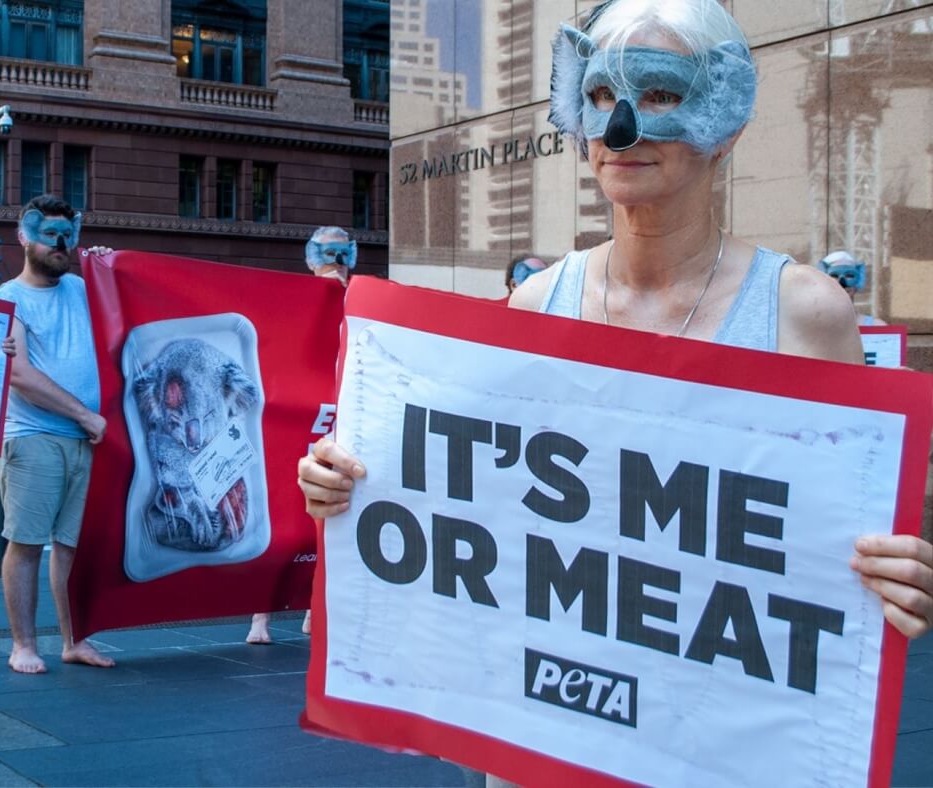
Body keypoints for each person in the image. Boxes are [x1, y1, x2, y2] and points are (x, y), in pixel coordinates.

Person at [297, 0, 933, 779]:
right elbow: (466, 500)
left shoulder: (803, 316)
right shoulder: (533, 307)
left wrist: (888, 579)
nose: (620, 127)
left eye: (661, 95)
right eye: (599, 97)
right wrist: (347, 483)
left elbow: (826, 546)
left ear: (726, 117)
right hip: (543, 747)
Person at [0, 194, 115, 674]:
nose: (60, 245)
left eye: (68, 235)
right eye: (49, 235)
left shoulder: (84, 291)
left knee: (72, 546)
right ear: (24, 237)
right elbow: (18, 374)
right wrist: (84, 416)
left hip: (84, 440)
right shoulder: (8, 298)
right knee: (24, 543)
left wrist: (110, 269)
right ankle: (23, 644)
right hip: (33, 435)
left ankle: (73, 639)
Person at [245, 226, 355, 645]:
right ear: (312, 260)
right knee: (281, 516)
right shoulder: (292, 299)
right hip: (296, 419)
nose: (337, 263)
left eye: (343, 254)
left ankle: (315, 607)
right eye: (328, 254)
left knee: (330, 514)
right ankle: (260, 616)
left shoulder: (360, 297)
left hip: (339, 417)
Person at [820, 250, 886, 326]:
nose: (842, 283)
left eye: (849, 276)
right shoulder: (811, 329)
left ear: (859, 281)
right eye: (834, 276)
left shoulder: (876, 327)